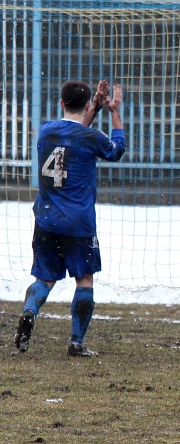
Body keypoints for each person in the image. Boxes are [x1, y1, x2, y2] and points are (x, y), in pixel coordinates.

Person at [14, 80, 126, 357]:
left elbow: (72, 133)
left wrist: (94, 110)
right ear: (87, 104)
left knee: (45, 278)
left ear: (61, 103)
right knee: (84, 279)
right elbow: (116, 151)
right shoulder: (91, 138)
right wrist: (112, 111)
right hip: (78, 222)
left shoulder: (46, 131)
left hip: (47, 219)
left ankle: (30, 312)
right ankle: (76, 342)